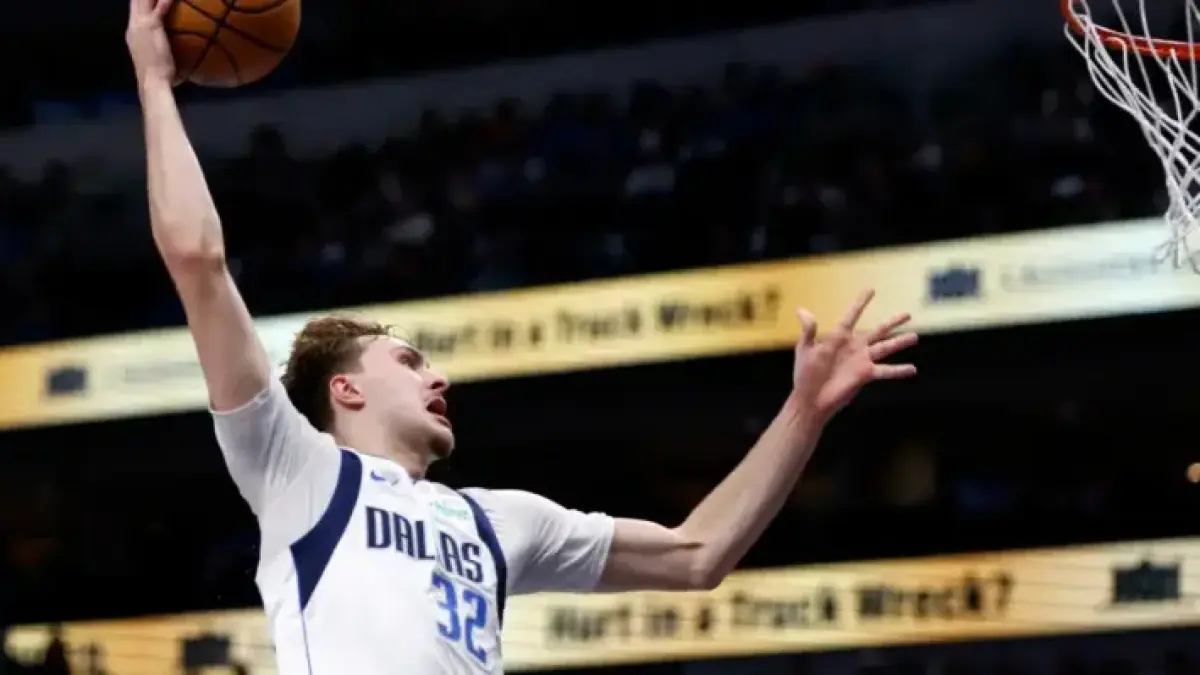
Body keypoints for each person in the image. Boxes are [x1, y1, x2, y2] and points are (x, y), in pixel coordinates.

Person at [124, 0, 918, 671]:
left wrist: (805, 409)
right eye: (408, 360)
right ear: (346, 388)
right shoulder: (296, 470)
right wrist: (155, 82)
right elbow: (198, 259)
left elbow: (697, 553)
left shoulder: (499, 521)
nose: (438, 377)